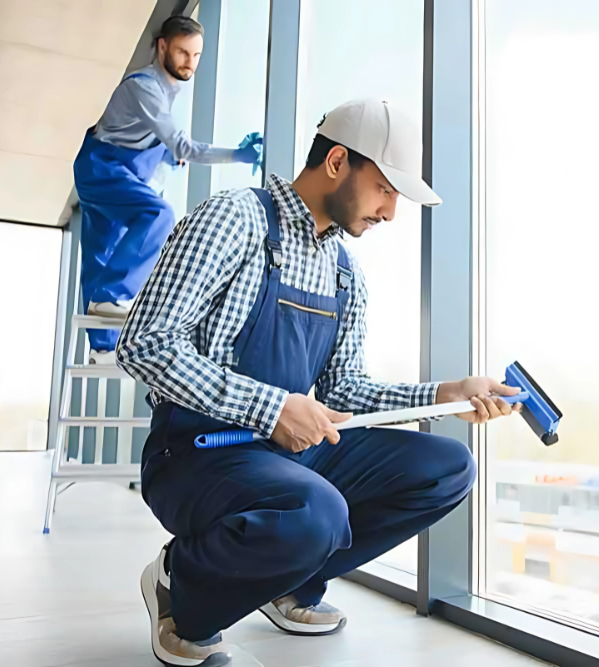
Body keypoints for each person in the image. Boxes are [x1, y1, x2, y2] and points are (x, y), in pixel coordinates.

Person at [116, 98, 521, 666]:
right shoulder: (233, 219)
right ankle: (180, 588)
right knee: (317, 512)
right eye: (385, 189)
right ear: (337, 162)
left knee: (448, 469)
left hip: (291, 457)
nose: (391, 213)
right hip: (198, 453)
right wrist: (272, 408)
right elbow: (144, 343)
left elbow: (344, 391)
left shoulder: (343, 271)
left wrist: (443, 394)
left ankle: (288, 583)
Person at [74, 15, 263, 365]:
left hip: (117, 170)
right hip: (103, 170)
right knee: (159, 215)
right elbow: (184, 145)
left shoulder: (166, 91)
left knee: (99, 257)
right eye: (182, 52)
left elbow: (143, 136)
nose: (189, 63)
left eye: (196, 55)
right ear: (162, 47)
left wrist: (163, 155)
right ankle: (114, 294)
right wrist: (237, 155)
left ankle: (101, 349)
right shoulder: (145, 86)